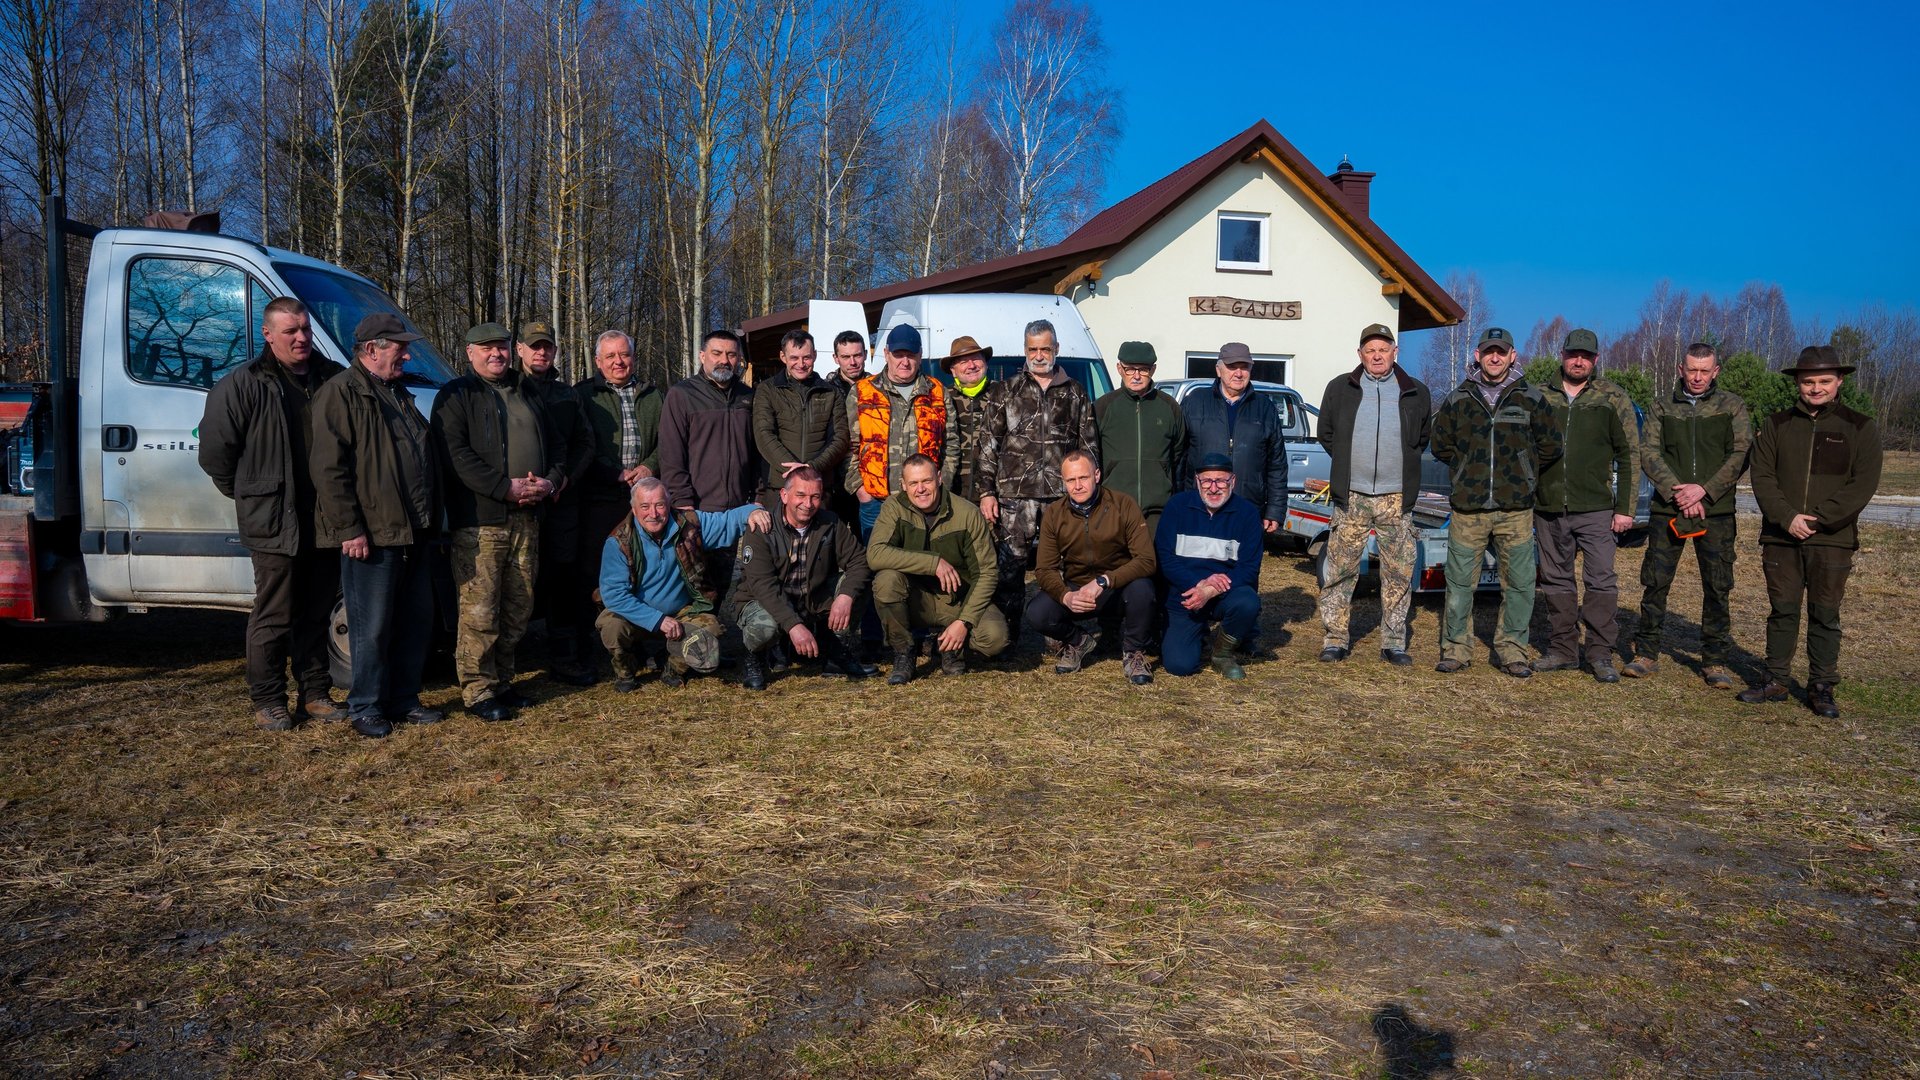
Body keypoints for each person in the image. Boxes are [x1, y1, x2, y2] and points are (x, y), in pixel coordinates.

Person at [198, 297, 347, 730]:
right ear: (268, 334)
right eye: (290, 331)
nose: (301, 338)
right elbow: (216, 456)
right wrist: (252, 496)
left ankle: (315, 694)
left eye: (305, 329)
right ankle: (268, 700)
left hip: (323, 518)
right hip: (273, 521)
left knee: (316, 611)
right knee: (274, 615)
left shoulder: (331, 380)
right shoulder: (242, 385)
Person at [310, 313, 444, 738]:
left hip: (413, 530)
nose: (406, 354)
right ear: (371, 350)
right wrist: (349, 528)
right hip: (373, 533)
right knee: (372, 625)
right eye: (398, 347)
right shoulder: (341, 394)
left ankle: (404, 699)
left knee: (415, 619)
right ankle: (365, 706)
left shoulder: (396, 392)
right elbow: (329, 470)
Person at [432, 321, 566, 722]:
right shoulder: (456, 395)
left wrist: (550, 481)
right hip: (481, 521)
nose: (497, 354)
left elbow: (557, 446)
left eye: (502, 347)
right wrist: (502, 488)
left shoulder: (528, 391)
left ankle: (504, 681)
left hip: (528, 517)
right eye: (486, 348)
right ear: (470, 353)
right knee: (480, 610)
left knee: (518, 605)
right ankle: (477, 690)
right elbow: (455, 456)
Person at [1739, 345, 1883, 718]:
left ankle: (1821, 685)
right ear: (1797, 383)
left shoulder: (1861, 427)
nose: (1815, 388)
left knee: (1825, 613)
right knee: (1782, 611)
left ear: (1839, 382)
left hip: (1832, 540)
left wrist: (1817, 520)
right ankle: (1775, 680)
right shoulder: (1775, 425)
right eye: (1808, 381)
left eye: (1823, 381)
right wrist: (1786, 517)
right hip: (1781, 536)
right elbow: (1762, 475)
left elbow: (1862, 484)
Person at [1428, 327, 1562, 677]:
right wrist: (1465, 469)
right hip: (1468, 509)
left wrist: (1524, 471)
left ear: (1512, 356)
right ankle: (1456, 649)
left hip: (1515, 509)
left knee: (1518, 584)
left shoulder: (1530, 398)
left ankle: (1512, 650)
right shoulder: (1459, 399)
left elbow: (1551, 445)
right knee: (1459, 584)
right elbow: (1440, 444)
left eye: (1501, 352)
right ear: (1477, 355)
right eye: (1488, 351)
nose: (1495, 357)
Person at [1627, 343, 1751, 688]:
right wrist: (1678, 490)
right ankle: (1646, 653)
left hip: (1716, 511)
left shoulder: (1732, 406)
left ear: (1716, 372)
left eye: (1704, 371)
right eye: (1691, 370)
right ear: (1681, 369)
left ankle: (1714, 660)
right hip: (1669, 508)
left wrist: (1705, 490)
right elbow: (1648, 451)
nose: (1697, 377)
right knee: (1655, 582)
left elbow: (1741, 452)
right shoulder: (1661, 407)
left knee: (1717, 585)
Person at [1314, 323, 1431, 666]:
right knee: (1340, 571)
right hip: (1352, 496)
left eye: (1384, 348)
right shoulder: (1340, 388)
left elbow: (1420, 438)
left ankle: (1393, 643)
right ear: (1360, 354)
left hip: (1396, 497)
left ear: (1395, 352)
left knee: (1397, 574)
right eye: (1370, 350)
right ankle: (1334, 640)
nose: (1377, 355)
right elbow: (1327, 433)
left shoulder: (1415, 391)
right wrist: (1351, 466)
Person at [975, 318, 1098, 643]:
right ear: (1025, 350)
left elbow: (1088, 446)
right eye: (1033, 349)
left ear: (1056, 349)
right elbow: (988, 444)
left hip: (1063, 497)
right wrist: (986, 492)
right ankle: (1008, 636)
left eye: (1046, 348)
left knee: (1064, 566)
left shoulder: (1075, 392)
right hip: (1015, 497)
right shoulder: (1007, 389)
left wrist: (1087, 490)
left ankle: (1060, 633)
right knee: (1011, 567)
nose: (1040, 355)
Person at [1529, 328, 1641, 682]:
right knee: (1556, 580)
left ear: (1595, 359)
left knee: (1601, 580)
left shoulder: (1612, 398)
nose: (1579, 361)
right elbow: (1522, 449)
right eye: (1573, 354)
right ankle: (1562, 649)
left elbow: (1629, 454)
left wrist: (1626, 507)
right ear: (1561, 354)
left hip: (1595, 508)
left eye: (1587, 356)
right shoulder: (1539, 395)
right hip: (1548, 507)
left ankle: (1599, 652)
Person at [596, 478, 769, 691]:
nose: (654, 513)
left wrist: (752, 511)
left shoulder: (689, 524)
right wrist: (658, 620)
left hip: (681, 612)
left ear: (669, 505)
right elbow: (614, 596)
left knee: (711, 630)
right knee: (611, 626)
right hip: (636, 616)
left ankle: (672, 667)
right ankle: (626, 672)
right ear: (633, 508)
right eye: (645, 506)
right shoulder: (617, 542)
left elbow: (726, 521)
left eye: (660, 505)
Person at [865, 454, 1007, 683]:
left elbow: (988, 573)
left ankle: (951, 647)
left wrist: (964, 622)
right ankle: (904, 652)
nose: (920, 489)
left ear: (939, 478)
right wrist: (933, 563)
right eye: (913, 483)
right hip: (914, 599)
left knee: (995, 638)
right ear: (903, 485)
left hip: (957, 599)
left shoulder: (967, 513)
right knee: (886, 581)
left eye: (927, 481)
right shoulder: (894, 508)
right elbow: (875, 554)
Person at [735, 466, 876, 688]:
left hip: (810, 599)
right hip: (765, 601)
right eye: (800, 495)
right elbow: (764, 586)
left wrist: (845, 596)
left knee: (859, 586)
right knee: (766, 628)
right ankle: (754, 657)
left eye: (815, 497)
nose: (808, 504)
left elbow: (859, 561)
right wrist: (793, 626)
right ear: (784, 495)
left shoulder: (830, 522)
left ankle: (836, 653)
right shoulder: (762, 527)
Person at [573, 330, 664, 672]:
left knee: (641, 571)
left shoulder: (653, 395)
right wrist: (610, 472)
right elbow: (581, 445)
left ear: (633, 357)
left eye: (624, 354)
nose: (618, 362)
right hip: (599, 496)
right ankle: (591, 648)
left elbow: (667, 442)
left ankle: (641, 645)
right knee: (593, 573)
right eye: (610, 356)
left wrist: (648, 466)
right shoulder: (584, 395)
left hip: (641, 500)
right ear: (598, 361)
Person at [1026, 450, 1158, 683]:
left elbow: (1146, 560)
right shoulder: (1055, 514)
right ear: (1063, 482)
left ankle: (1134, 651)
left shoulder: (1123, 504)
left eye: (1083, 478)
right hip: (1077, 589)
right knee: (1038, 612)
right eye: (1071, 480)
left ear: (1097, 475)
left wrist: (1104, 581)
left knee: (1143, 589)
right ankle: (1078, 641)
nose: (1077, 486)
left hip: (1117, 587)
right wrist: (1065, 596)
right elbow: (1044, 569)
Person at [516, 319, 596, 686]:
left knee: (564, 576)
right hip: (519, 502)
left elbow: (585, 444)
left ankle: (565, 655)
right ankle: (512, 654)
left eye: (547, 346)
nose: (541, 352)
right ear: (520, 350)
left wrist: (562, 481)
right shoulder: (509, 389)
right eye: (535, 346)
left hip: (562, 502)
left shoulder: (568, 394)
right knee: (519, 576)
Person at [1155, 453, 1264, 680]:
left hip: (1225, 593)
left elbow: (1249, 567)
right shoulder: (1176, 507)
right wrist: (1198, 585)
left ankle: (1222, 655)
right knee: (1180, 666)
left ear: (1232, 481)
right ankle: (1196, 633)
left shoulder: (1248, 513)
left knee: (1247, 602)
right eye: (1207, 481)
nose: (1214, 488)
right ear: (1197, 481)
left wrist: (1211, 590)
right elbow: (1165, 558)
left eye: (1221, 481)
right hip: (1186, 594)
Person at [846, 324, 947, 538]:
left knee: (923, 563)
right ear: (886, 354)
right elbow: (847, 446)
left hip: (924, 500)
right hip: (876, 501)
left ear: (920, 356)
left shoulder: (937, 392)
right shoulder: (862, 392)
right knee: (878, 564)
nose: (905, 361)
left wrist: (941, 482)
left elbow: (951, 444)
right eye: (898, 354)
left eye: (911, 355)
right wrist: (860, 489)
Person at [1180, 342, 1288, 533]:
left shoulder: (1265, 408)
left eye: (1244, 367)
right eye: (1232, 367)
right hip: (1200, 507)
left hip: (1247, 508)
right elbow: (1179, 459)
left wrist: (1274, 510)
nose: (1238, 373)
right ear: (1218, 370)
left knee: (1243, 562)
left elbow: (1276, 465)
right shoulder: (1194, 402)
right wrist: (1178, 503)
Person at [1094, 340, 1187, 537]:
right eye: (1130, 369)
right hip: (1113, 507)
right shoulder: (1103, 407)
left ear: (1153, 369)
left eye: (1143, 370)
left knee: (1154, 564)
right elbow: (1093, 456)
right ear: (1119, 368)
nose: (1136, 376)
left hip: (1158, 511)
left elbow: (1178, 454)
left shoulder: (1170, 407)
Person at [752, 329, 849, 496]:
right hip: (780, 484)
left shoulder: (831, 392)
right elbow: (764, 434)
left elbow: (840, 438)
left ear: (815, 355)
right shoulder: (767, 390)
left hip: (819, 484)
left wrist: (812, 467)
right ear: (783, 357)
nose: (801, 364)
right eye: (794, 358)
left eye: (807, 357)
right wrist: (793, 471)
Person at [940, 334, 1003, 504]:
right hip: (953, 494)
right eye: (963, 362)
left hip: (996, 495)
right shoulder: (941, 398)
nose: (971, 366)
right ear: (953, 370)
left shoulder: (1004, 394)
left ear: (985, 363)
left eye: (976, 359)